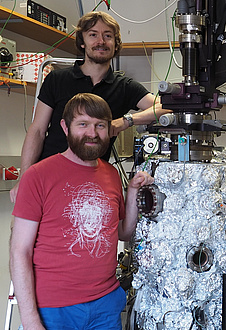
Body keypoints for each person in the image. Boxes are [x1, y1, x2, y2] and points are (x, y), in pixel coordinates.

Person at [10, 93, 154, 330]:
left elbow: (123, 233)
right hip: (53, 308)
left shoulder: (111, 174)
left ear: (109, 130)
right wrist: (30, 320)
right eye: (83, 124)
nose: (92, 133)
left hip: (105, 306)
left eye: (100, 125)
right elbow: (19, 252)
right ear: (65, 127)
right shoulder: (38, 176)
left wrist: (133, 192)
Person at [9, 11, 169, 202]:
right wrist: (25, 178)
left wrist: (126, 121)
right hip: (48, 177)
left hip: (92, 182)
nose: (101, 41)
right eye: (93, 34)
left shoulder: (124, 86)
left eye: (107, 36)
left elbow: (166, 107)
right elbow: (37, 130)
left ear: (115, 44)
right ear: (82, 42)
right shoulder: (57, 79)